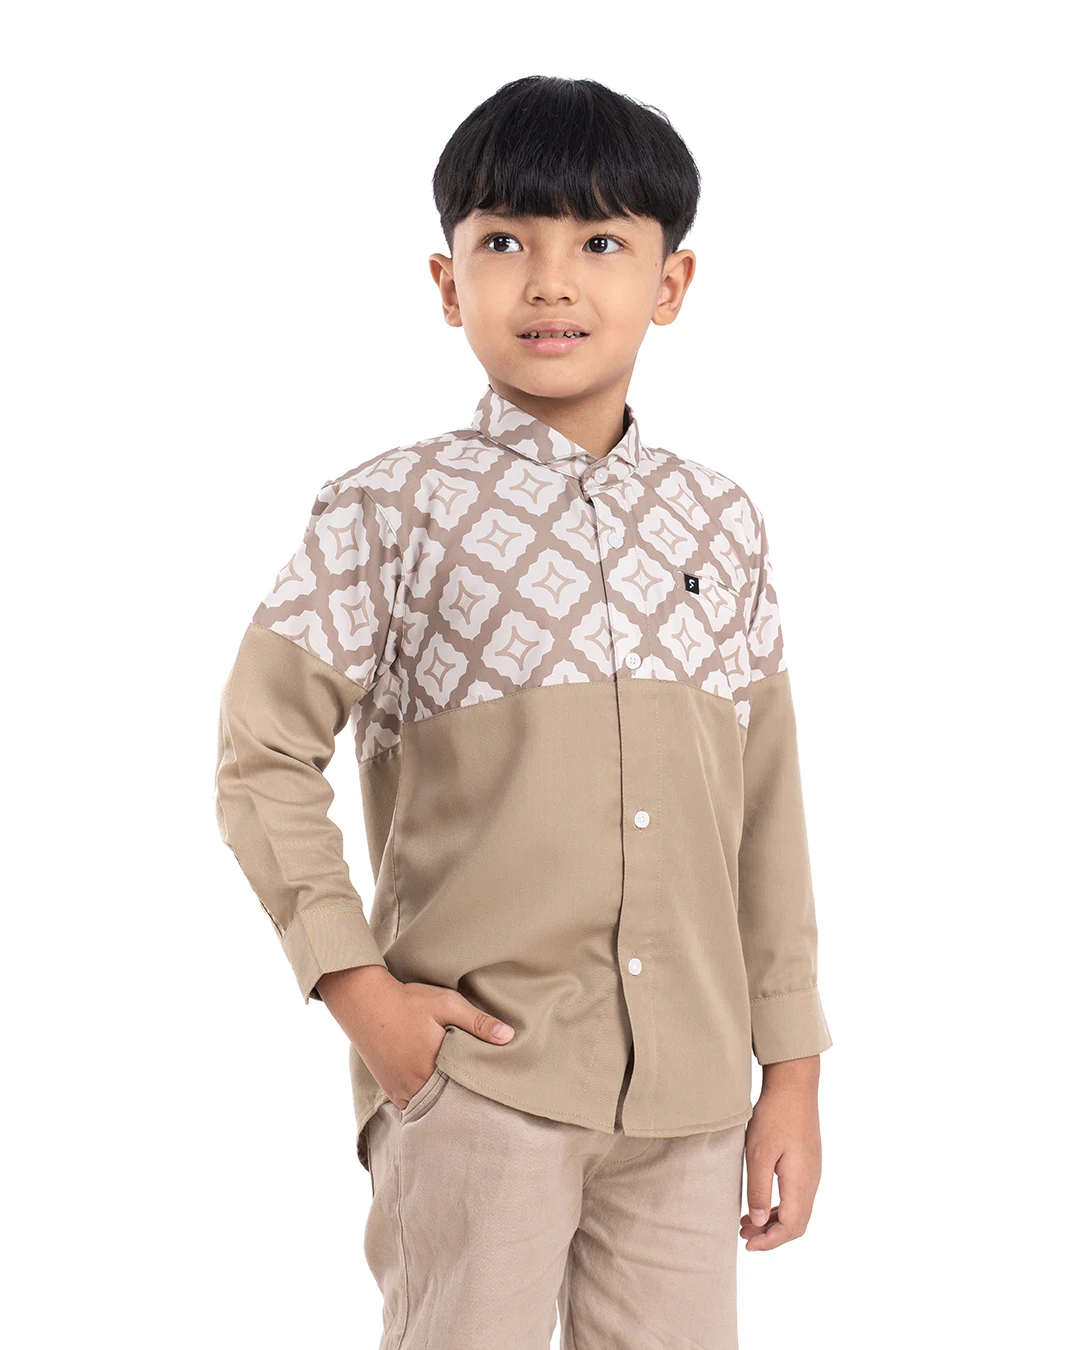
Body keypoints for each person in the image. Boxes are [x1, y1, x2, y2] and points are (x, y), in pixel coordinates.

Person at [215, 73, 832, 1350]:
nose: (552, 283)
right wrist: (361, 993)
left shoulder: (722, 522)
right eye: (506, 243)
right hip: (479, 1082)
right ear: (449, 285)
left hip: (692, 1096)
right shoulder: (390, 512)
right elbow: (260, 752)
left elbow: (766, 808)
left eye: (601, 243)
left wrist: (793, 1070)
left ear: (671, 282)